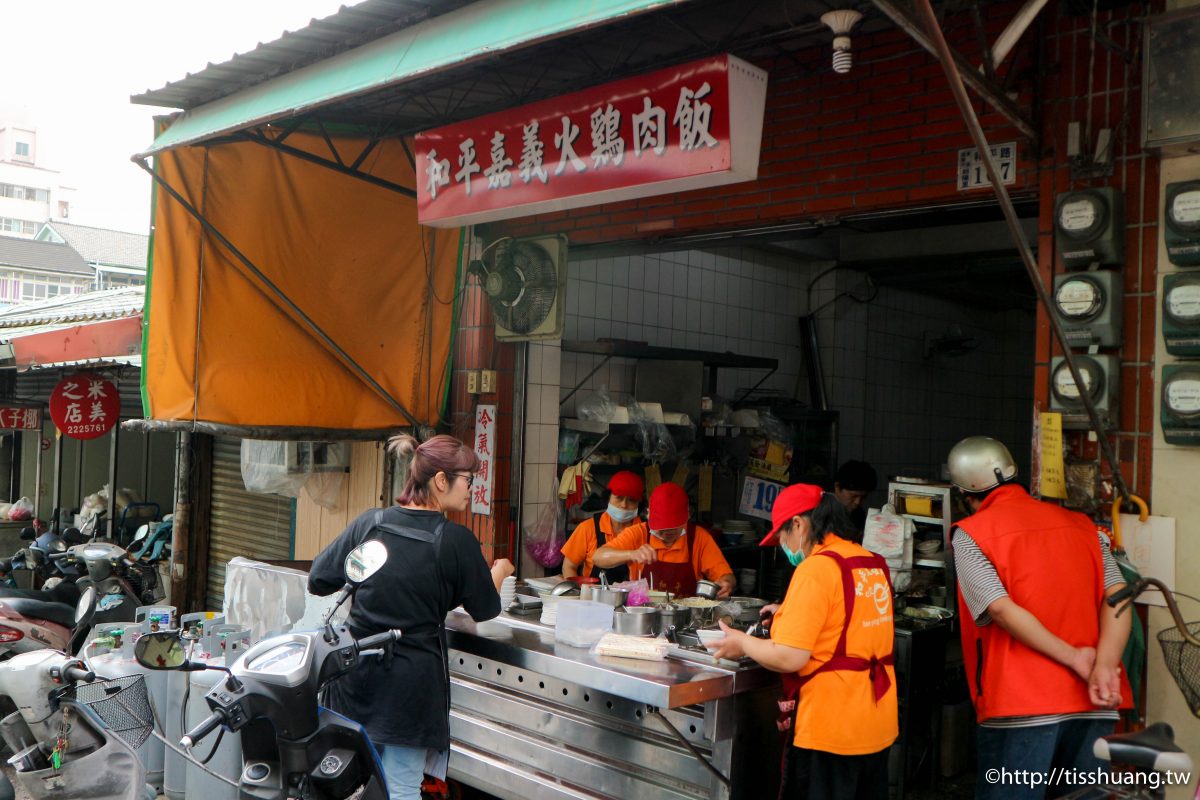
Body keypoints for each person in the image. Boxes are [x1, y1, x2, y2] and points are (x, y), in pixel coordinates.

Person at [307, 434, 515, 800]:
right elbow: (486, 609)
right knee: (400, 787)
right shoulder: (456, 541)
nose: (471, 489)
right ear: (440, 480)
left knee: (345, 783)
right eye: (468, 479)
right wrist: (498, 573)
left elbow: (319, 579)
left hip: (354, 680)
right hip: (410, 689)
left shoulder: (370, 524)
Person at [946, 436, 1131, 800]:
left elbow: (999, 608)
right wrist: (1105, 667)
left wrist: (1076, 658)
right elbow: (1119, 598)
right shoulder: (1085, 527)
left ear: (966, 494)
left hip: (1022, 704)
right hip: (1094, 701)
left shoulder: (970, 534)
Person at [713, 484, 897, 800]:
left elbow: (789, 657)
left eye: (782, 537)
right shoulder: (871, 562)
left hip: (831, 729)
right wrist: (788, 612)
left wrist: (742, 643)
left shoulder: (817, 567)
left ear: (798, 524)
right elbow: (847, 620)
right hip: (877, 723)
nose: (784, 546)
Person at [592, 482, 735, 597]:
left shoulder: (699, 537)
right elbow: (598, 557)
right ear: (648, 514)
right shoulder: (639, 533)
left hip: (686, 618)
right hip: (644, 612)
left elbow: (727, 576)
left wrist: (726, 583)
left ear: (688, 515)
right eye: (662, 528)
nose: (667, 533)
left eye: (674, 527)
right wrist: (632, 554)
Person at [560, 470, 644, 581]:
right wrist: (578, 593)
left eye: (632, 500)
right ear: (608, 497)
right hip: (593, 596)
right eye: (619, 498)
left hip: (634, 597)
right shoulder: (588, 528)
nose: (624, 505)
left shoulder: (645, 531)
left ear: (639, 504)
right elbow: (568, 566)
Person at [833, 459, 877, 531]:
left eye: (863, 497)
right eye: (853, 496)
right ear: (837, 488)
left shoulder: (859, 515)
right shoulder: (820, 515)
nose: (858, 502)